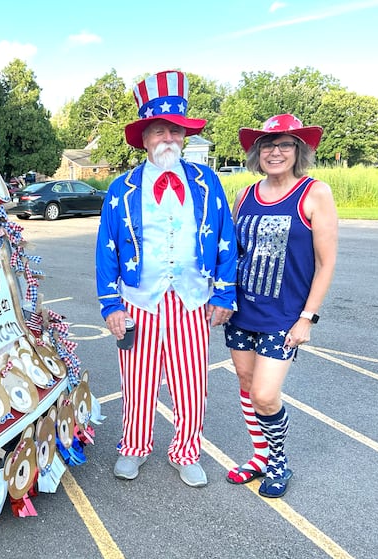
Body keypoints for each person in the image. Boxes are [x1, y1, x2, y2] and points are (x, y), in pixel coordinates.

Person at [95, 70, 237, 488]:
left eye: (175, 130)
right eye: (159, 131)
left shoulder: (207, 182)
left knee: (191, 383)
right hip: (139, 299)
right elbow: (107, 249)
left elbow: (225, 237)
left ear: (184, 136)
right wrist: (110, 304)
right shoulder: (121, 188)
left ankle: (186, 450)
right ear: (144, 138)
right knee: (136, 381)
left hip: (192, 299)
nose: (168, 139)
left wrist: (224, 293)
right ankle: (134, 446)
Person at [224, 114, 338, 498]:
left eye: (285, 144)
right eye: (268, 145)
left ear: (298, 150)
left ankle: (278, 461)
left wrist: (307, 318)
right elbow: (236, 253)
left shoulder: (314, 193)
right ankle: (258, 457)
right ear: (257, 153)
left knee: (266, 394)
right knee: (244, 383)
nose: (275, 152)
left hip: (284, 317)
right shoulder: (245, 195)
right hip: (243, 313)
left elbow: (326, 263)